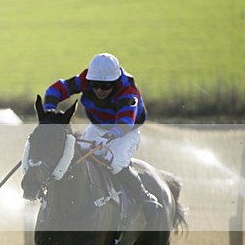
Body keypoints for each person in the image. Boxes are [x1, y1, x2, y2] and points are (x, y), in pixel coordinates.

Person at [42, 52, 162, 225]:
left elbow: (125, 122)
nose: (99, 90)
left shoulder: (128, 90)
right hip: (98, 127)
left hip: (126, 132)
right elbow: (55, 90)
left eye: (105, 87)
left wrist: (109, 137)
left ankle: (145, 197)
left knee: (115, 162)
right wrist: (49, 109)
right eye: (95, 85)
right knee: (77, 156)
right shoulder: (86, 79)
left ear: (115, 83)